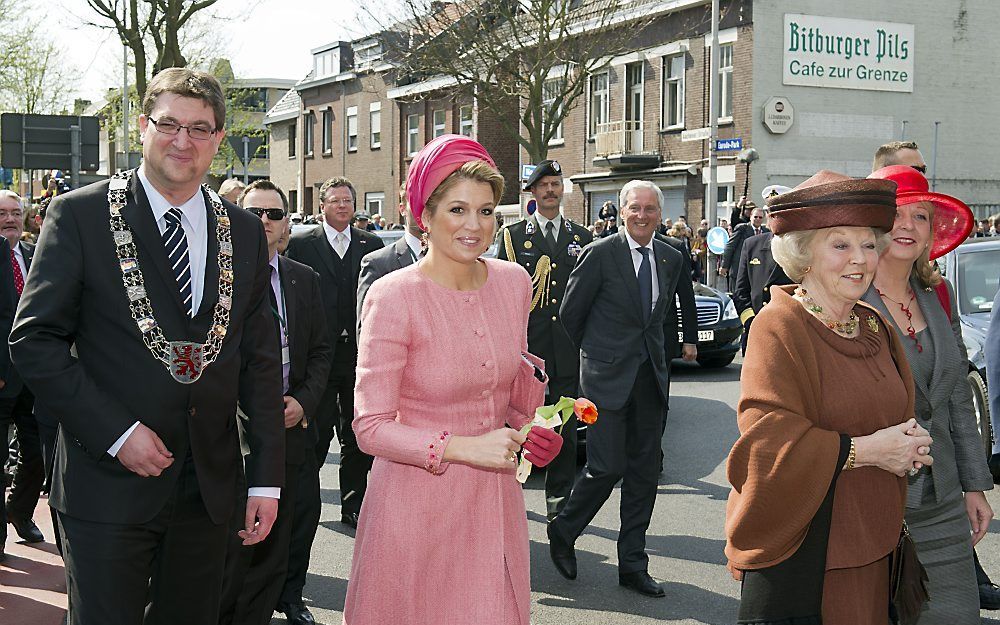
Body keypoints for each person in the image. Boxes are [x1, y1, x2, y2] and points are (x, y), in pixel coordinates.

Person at [9, 67, 285, 625]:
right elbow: (35, 341)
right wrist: (116, 433)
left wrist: (266, 478)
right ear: (142, 127)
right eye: (169, 125)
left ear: (218, 139)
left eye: (200, 129)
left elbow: (258, 362)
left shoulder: (245, 230)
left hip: (208, 491)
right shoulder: (80, 215)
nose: (183, 141)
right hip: (105, 484)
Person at [343, 134, 560, 624]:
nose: (474, 225)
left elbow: (512, 393)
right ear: (426, 214)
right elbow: (369, 426)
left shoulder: (514, 282)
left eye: (487, 212)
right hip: (414, 506)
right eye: (458, 209)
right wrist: (464, 447)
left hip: (494, 504)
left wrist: (534, 432)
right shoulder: (393, 296)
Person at [725, 170, 934, 624]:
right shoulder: (779, 326)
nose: (860, 259)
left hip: (876, 548)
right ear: (803, 255)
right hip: (815, 558)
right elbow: (768, 442)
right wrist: (870, 451)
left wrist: (909, 440)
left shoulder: (875, 325)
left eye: (867, 244)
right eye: (840, 245)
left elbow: (894, 410)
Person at [547, 179, 698, 597]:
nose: (642, 216)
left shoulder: (670, 256)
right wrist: (590, 366)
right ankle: (564, 529)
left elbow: (664, 315)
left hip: (650, 380)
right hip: (604, 382)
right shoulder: (599, 254)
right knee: (606, 467)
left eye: (650, 209)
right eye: (635, 208)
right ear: (620, 210)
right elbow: (570, 315)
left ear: (660, 214)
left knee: (644, 476)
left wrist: (671, 352)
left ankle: (632, 564)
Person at [864, 165, 995, 623]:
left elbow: (958, 395)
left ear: (931, 233)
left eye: (920, 216)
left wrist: (975, 483)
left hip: (942, 498)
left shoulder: (938, 293)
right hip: (874, 497)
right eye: (896, 214)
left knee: (956, 613)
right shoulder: (848, 296)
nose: (907, 226)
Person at [219, 180, 332, 625]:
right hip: (233, 435)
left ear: (286, 226)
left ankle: (281, 601)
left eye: (274, 214)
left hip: (293, 430)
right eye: (255, 213)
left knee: (290, 528)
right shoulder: (219, 277)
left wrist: (303, 402)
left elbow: (323, 350)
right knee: (236, 540)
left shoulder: (303, 279)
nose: (264, 222)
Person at [282, 177, 382, 621]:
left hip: (358, 355)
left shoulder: (371, 242)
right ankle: (310, 486)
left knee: (358, 432)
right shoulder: (303, 244)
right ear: (320, 205)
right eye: (335, 200)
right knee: (318, 430)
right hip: (318, 356)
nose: (343, 206)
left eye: (349, 200)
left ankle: (352, 500)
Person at [496, 159, 593, 521]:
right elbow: (500, 295)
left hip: (567, 348)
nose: (550, 190)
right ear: (533, 193)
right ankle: (509, 496)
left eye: (556, 183)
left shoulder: (581, 238)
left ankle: (559, 503)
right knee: (522, 423)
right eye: (544, 185)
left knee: (565, 428)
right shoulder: (513, 236)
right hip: (527, 350)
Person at [0, 190, 43, 549]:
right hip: (1, 375)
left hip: (35, 377)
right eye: (1, 213)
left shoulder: (36, 254)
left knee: (39, 453)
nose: (10, 219)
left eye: (15, 212)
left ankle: (19, 511)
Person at [733, 187, 794, 353]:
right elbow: (740, 291)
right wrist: (751, 321)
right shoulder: (752, 245)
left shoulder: (799, 247)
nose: (773, 217)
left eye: (778, 212)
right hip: (755, 331)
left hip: (789, 332)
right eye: (770, 212)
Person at [357, 183, 422, 321]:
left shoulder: (453, 260)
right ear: (402, 209)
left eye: (428, 203)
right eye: (416, 203)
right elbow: (366, 328)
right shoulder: (377, 264)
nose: (423, 210)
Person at [721, 204, 766, 293]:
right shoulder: (742, 228)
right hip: (739, 269)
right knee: (737, 295)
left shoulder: (766, 232)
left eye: (760, 217)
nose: (757, 219)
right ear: (750, 217)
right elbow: (730, 247)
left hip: (757, 271)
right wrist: (725, 266)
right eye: (755, 217)